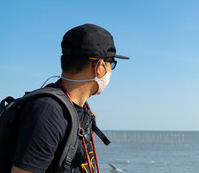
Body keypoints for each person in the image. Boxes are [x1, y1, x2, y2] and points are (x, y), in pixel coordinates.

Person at [11, 23, 129, 173]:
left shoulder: (79, 109)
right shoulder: (49, 112)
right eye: (111, 63)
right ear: (99, 67)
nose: (110, 71)